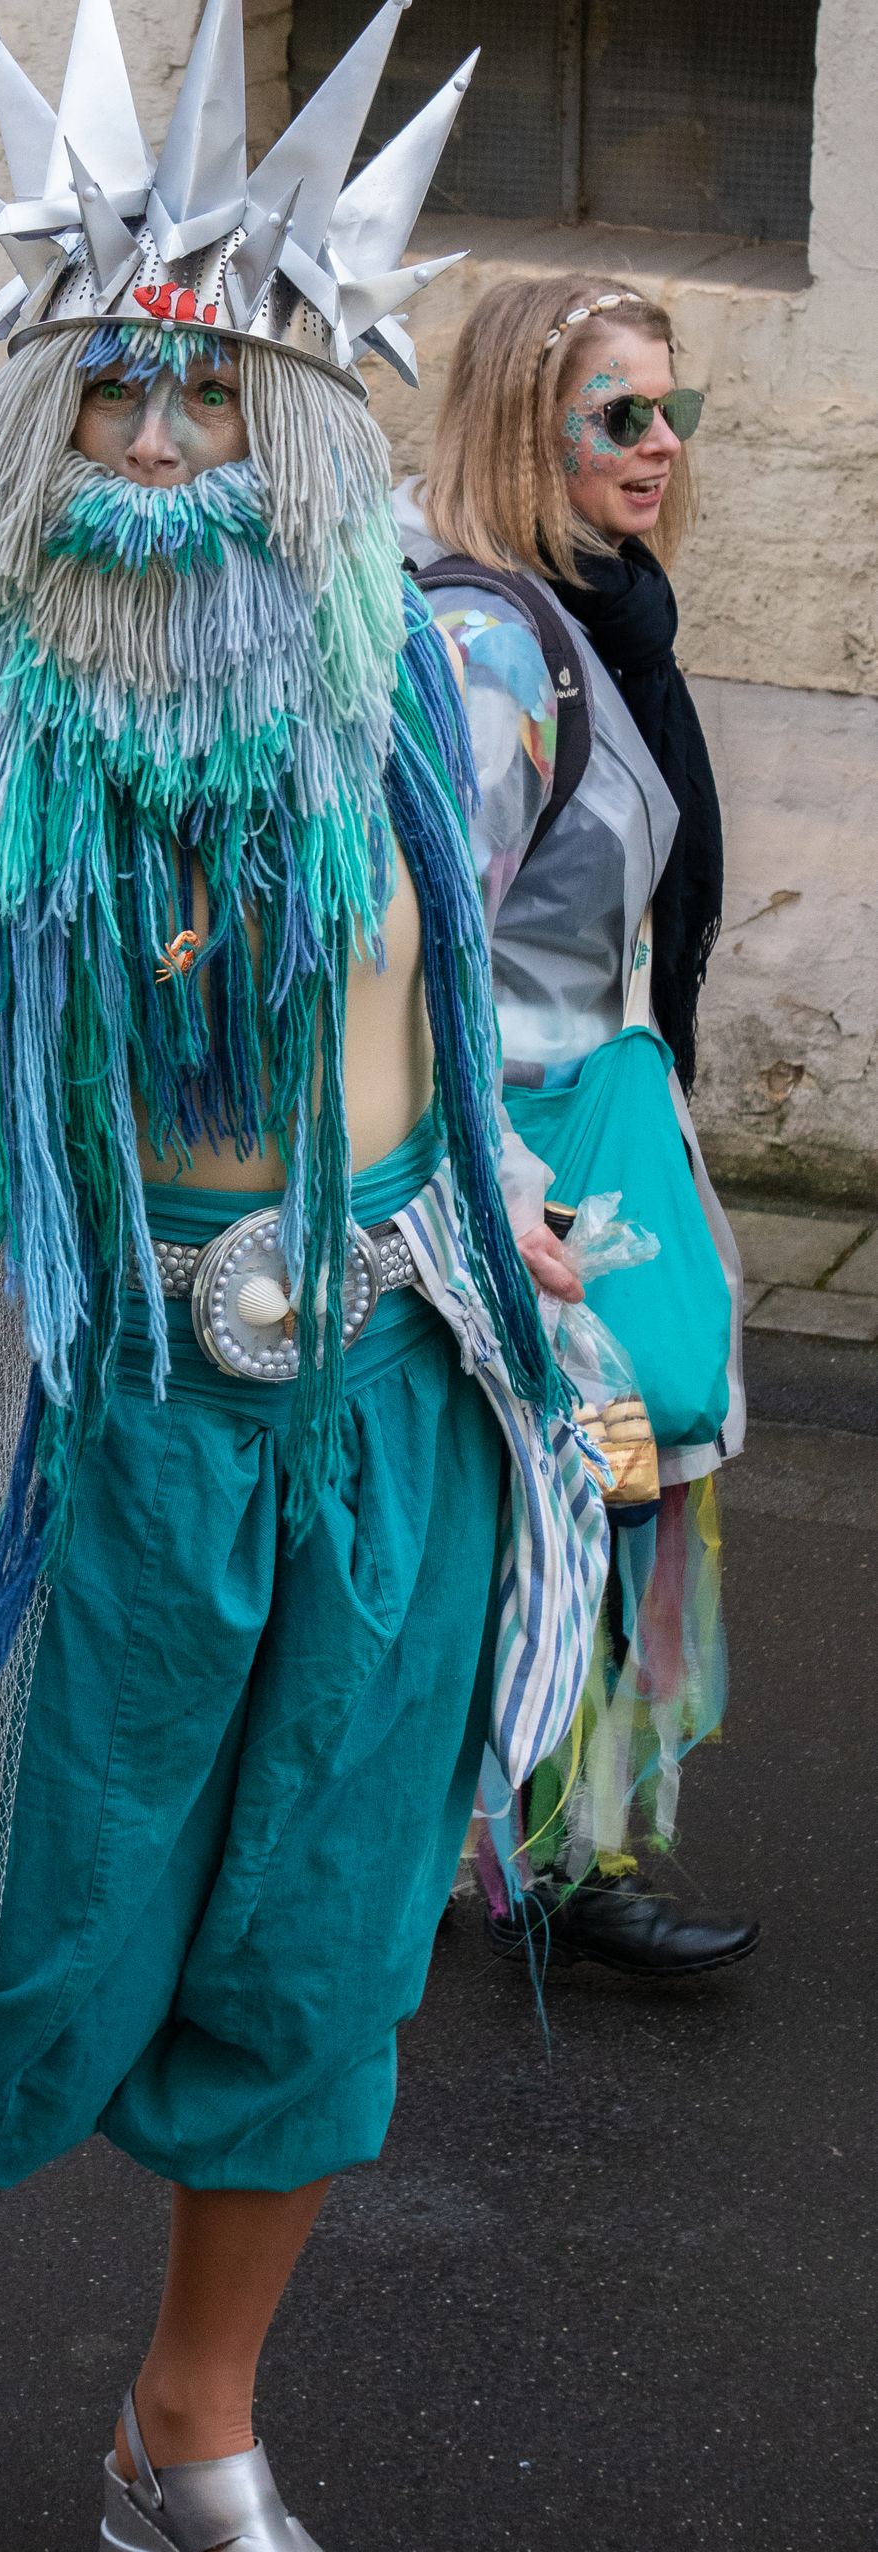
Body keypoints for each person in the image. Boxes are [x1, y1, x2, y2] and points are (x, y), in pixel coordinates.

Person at [0, 0, 609, 2552]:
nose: (154, 439)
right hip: (84, 1415)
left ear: (301, 422)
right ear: (38, 412)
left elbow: (486, 1017)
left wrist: (512, 1218)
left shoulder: (440, 689)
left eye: (210, 388)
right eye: (110, 389)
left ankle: (189, 2426)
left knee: (312, 1946)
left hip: (377, 1413)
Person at [398, 277, 755, 1977]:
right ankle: (533, 1853)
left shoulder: (607, 616)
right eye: (618, 413)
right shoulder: (487, 649)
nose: (659, 443)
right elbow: (414, 960)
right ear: (521, 425)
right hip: (519, 1156)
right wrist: (501, 1188)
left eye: (667, 409)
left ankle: (559, 1839)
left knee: (614, 1478)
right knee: (574, 1486)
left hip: (600, 1116)